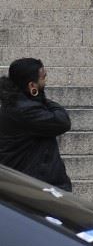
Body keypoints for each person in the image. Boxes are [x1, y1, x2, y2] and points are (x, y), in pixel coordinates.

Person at [0, 58, 71, 191]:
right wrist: (42, 98)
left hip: (31, 182)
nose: (45, 82)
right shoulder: (25, 110)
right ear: (32, 86)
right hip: (34, 187)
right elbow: (63, 122)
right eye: (43, 78)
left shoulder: (17, 103)